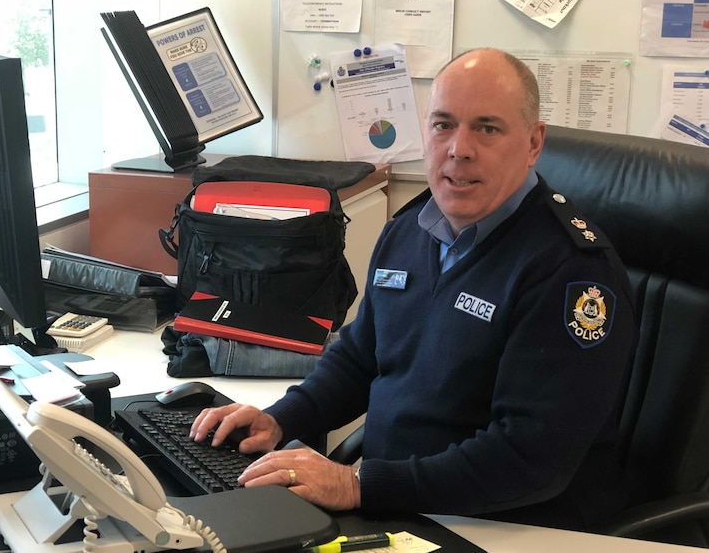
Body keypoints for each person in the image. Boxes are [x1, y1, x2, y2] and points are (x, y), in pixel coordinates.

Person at [190, 48, 636, 530]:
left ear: (533, 142)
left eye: (487, 128)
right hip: (400, 503)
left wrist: (359, 486)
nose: (459, 148)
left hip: (510, 524)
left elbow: (528, 458)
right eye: (443, 124)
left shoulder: (570, 273)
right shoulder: (409, 228)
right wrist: (282, 419)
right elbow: (363, 356)